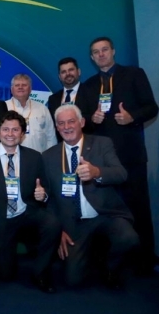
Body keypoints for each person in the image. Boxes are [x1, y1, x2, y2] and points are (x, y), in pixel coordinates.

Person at [82, 36, 158, 275]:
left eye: (105, 49)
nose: (101, 54)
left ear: (113, 51)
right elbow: (84, 123)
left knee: (139, 208)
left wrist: (131, 117)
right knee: (106, 212)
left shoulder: (134, 74)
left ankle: (144, 261)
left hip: (130, 156)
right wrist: (92, 120)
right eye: (96, 52)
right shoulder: (89, 85)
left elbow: (152, 107)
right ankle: (109, 262)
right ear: (92, 58)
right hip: (101, 162)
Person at [42, 104, 139, 289]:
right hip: (74, 222)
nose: (66, 127)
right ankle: (90, 256)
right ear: (56, 127)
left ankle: (110, 267)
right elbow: (51, 199)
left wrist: (97, 172)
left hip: (105, 214)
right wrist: (58, 230)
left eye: (71, 121)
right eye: (61, 123)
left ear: (82, 122)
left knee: (128, 239)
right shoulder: (48, 156)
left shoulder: (102, 144)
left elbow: (121, 173)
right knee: (73, 281)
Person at [0, 111, 61, 293]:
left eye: (15, 130)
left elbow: (45, 187)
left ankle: (40, 272)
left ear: (22, 133)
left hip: (26, 212)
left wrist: (42, 194)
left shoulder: (34, 157)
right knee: (5, 275)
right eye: (6, 129)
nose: (10, 134)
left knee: (52, 223)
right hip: (0, 216)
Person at [5, 73, 56, 152]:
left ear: (30, 89)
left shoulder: (42, 108)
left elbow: (51, 136)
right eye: (17, 85)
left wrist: (49, 156)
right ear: (11, 89)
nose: (20, 87)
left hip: (38, 156)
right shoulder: (3, 107)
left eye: (24, 85)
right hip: (11, 156)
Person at [47, 57, 93, 140]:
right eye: (63, 72)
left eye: (71, 70)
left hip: (87, 143)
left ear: (78, 72)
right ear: (59, 76)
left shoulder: (91, 93)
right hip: (62, 144)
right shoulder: (53, 99)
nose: (68, 74)